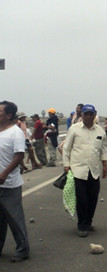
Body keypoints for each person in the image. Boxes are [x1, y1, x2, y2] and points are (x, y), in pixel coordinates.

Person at [63, 104, 107, 237]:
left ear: (95, 115)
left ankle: (88, 222)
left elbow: (102, 150)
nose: (88, 117)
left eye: (91, 114)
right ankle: (82, 225)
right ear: (81, 115)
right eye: (85, 114)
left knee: (93, 198)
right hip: (78, 170)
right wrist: (66, 165)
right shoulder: (74, 129)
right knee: (82, 199)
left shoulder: (100, 131)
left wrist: (104, 165)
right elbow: (66, 148)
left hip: (93, 170)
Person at [0, 101, 30, 262]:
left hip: (9, 185)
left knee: (14, 219)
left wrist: (4, 173)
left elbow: (19, 155)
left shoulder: (15, 133)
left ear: (9, 115)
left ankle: (23, 250)